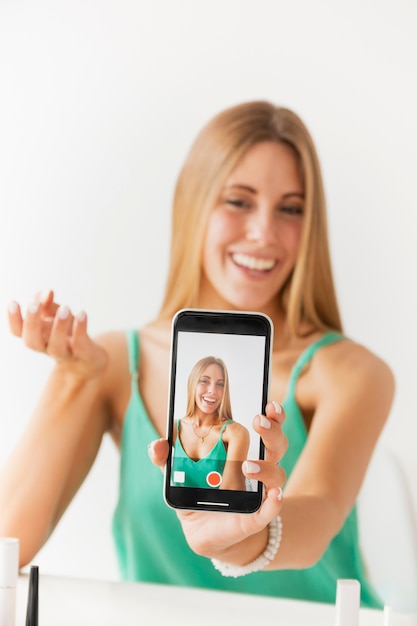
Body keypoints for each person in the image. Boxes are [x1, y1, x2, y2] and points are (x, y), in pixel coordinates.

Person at [1, 101, 394, 607]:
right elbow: (8, 545)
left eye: (291, 208)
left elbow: (318, 515)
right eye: (239, 201)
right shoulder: (117, 362)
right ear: (195, 205)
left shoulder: (350, 372)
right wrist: (75, 379)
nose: (264, 233)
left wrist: (244, 536)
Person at [171, 355, 250, 490]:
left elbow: (232, 493)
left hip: (221, 511)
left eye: (220, 384)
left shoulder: (235, 433)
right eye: (204, 381)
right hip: (176, 510)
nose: (212, 390)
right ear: (192, 383)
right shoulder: (172, 428)